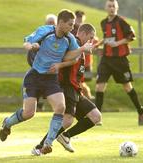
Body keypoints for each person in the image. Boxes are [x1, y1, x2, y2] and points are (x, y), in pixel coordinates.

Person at [0, 9, 93, 155]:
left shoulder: (70, 38)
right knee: (29, 113)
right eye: (70, 24)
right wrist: (32, 46)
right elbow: (27, 41)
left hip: (51, 80)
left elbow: (72, 56)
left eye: (73, 25)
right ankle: (7, 123)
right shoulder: (46, 31)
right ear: (60, 22)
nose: (72, 27)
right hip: (34, 77)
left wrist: (82, 49)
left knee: (60, 107)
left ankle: (47, 144)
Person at [31, 23, 101, 156]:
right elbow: (64, 57)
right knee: (67, 120)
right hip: (67, 87)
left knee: (95, 116)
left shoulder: (81, 48)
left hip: (76, 90)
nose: (91, 41)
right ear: (83, 33)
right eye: (90, 37)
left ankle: (66, 136)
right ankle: (40, 147)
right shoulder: (73, 43)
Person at [95, 0, 143, 126]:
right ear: (105, 8)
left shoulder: (121, 21)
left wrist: (117, 43)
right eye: (109, 6)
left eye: (114, 6)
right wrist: (97, 45)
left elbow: (131, 36)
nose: (111, 8)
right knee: (99, 87)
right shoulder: (103, 23)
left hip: (120, 60)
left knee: (127, 87)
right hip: (106, 59)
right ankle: (97, 117)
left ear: (117, 8)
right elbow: (107, 37)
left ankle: (140, 111)